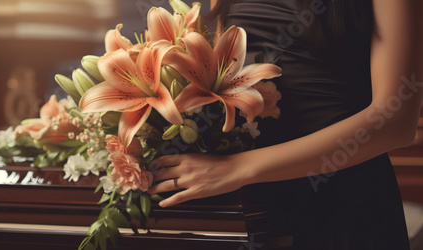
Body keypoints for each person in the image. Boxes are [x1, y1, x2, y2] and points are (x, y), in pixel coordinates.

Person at [149, 0, 423, 249]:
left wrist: (238, 168)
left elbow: (395, 121)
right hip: (254, 208)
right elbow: (224, 88)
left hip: (345, 202)